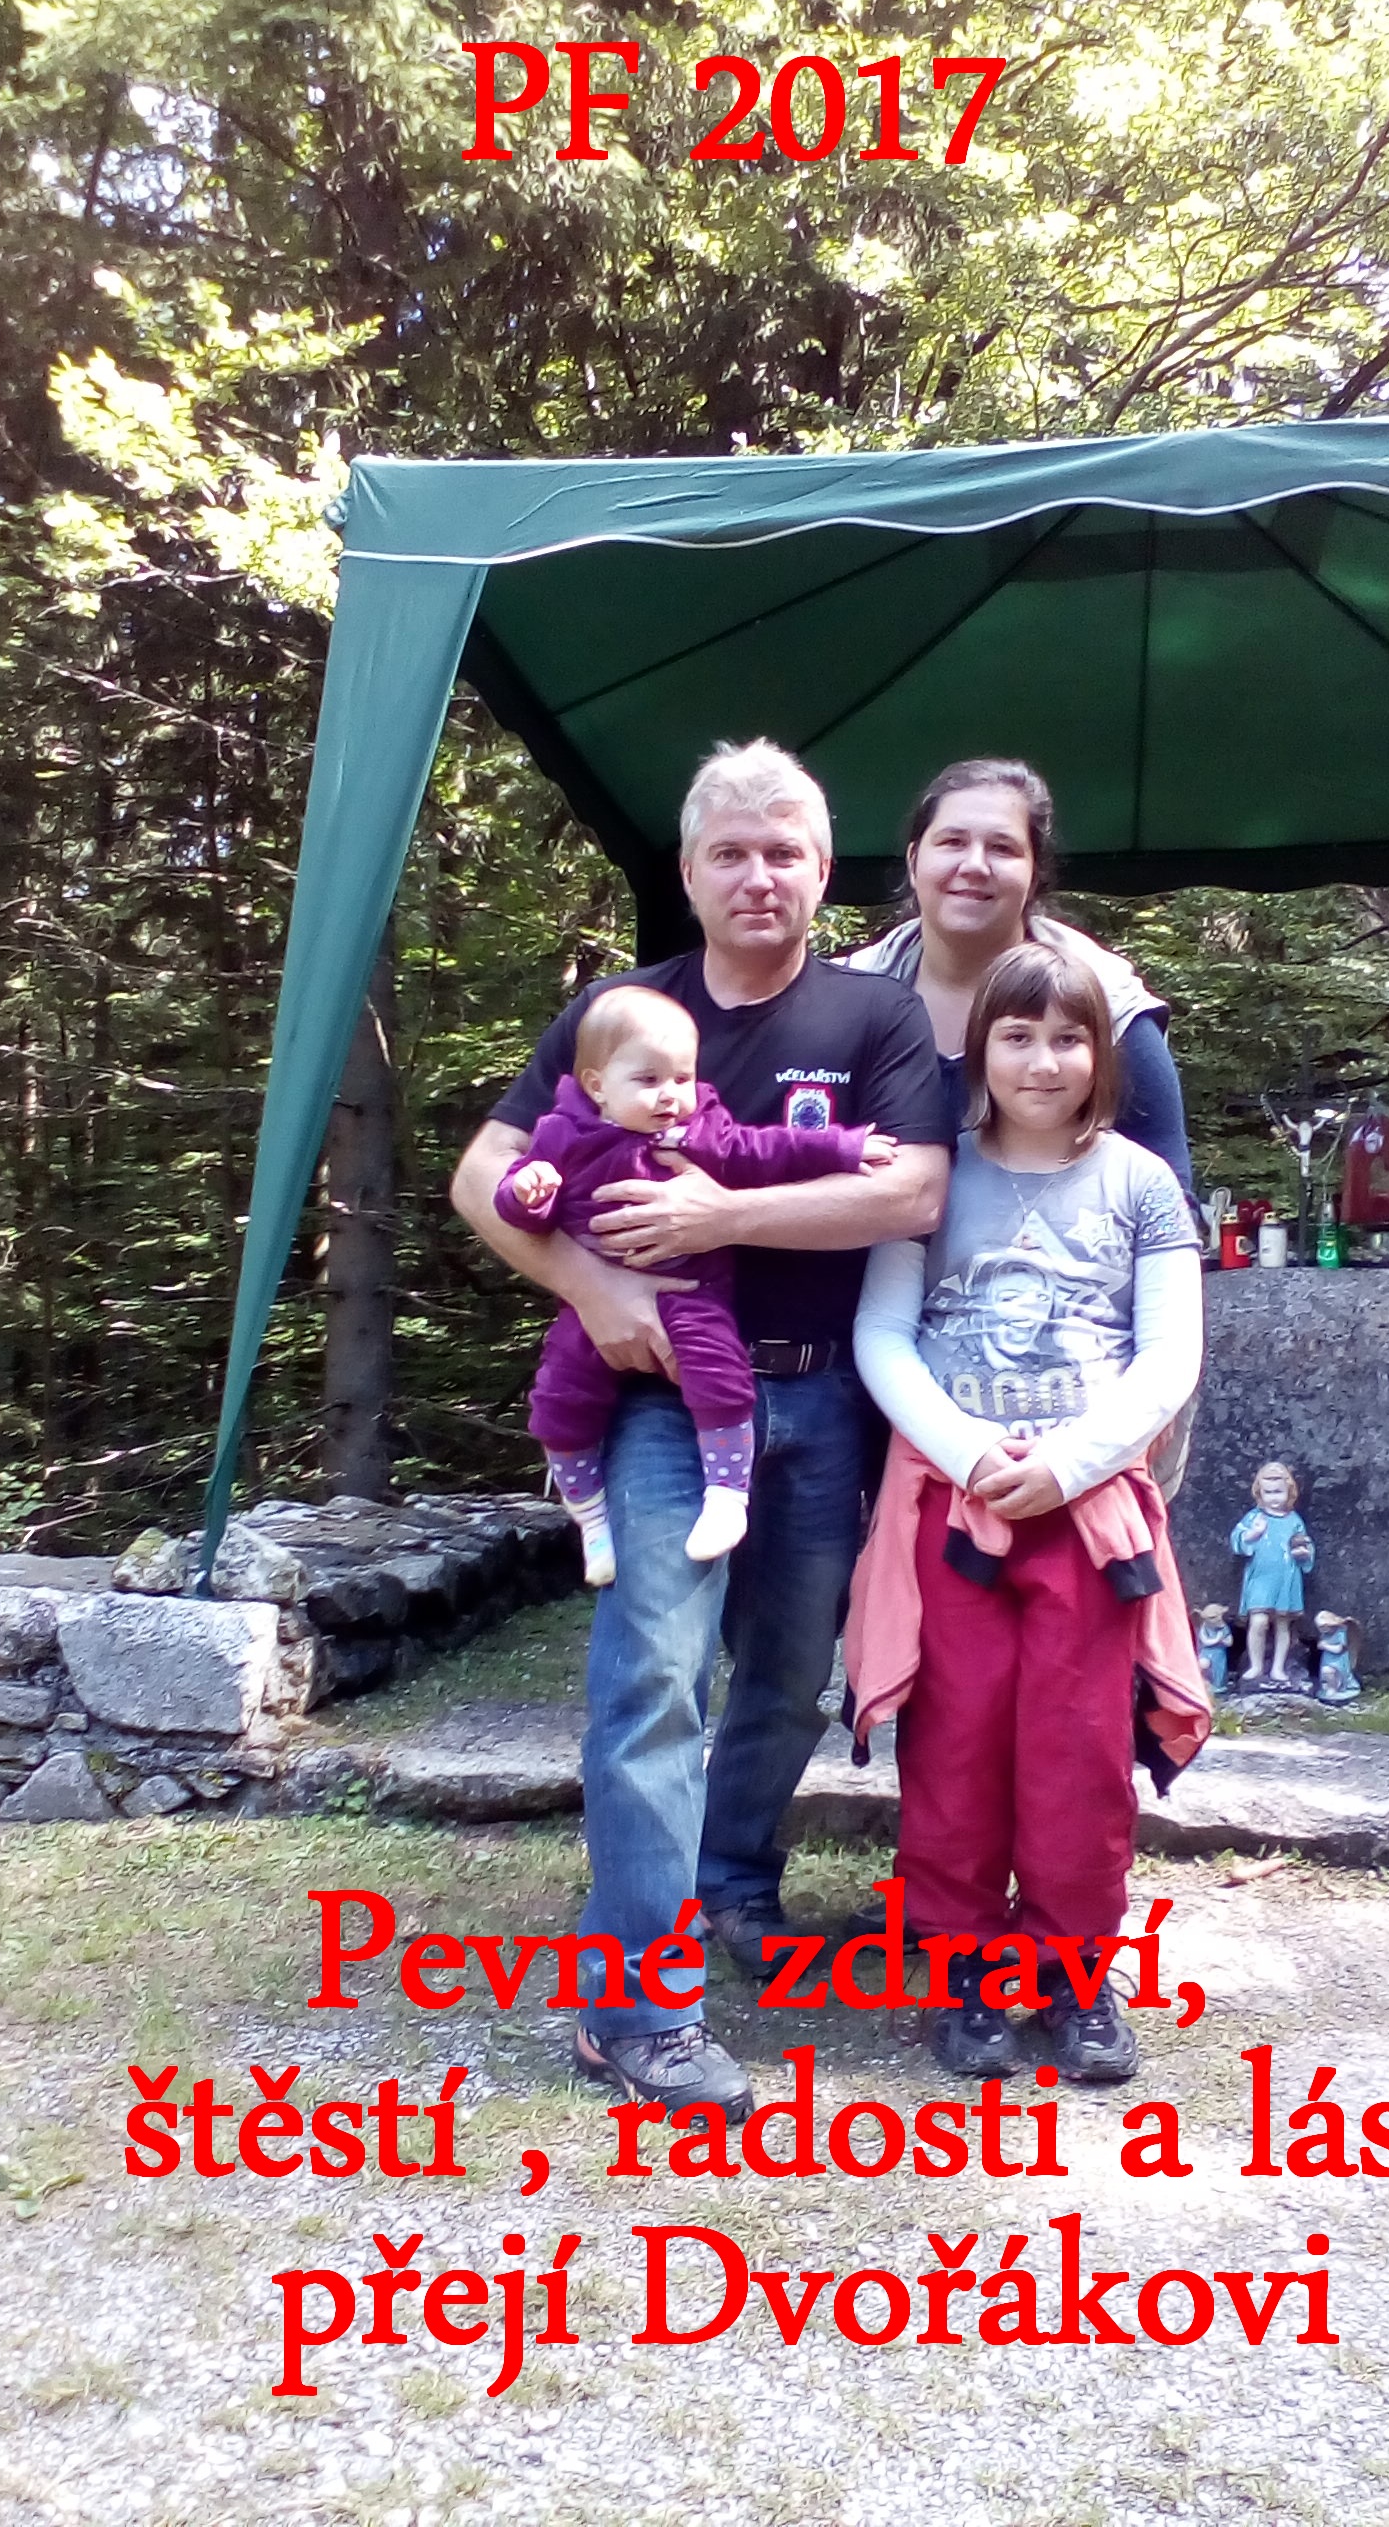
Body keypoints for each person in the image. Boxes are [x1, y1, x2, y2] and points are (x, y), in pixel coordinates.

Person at [450, 740, 947, 2122]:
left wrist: (724, 1215)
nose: (758, 876)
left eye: (785, 852)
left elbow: (911, 1192)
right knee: (657, 1677)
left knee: (788, 1677)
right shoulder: (624, 1013)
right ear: (688, 870)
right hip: (659, 1405)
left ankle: (730, 1885)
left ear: (823, 870)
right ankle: (636, 2015)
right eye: (730, 852)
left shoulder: (876, 1020)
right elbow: (485, 1172)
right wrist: (592, 1286)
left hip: (826, 1395)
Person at [847, 941, 1207, 2082]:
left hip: (1092, 1518)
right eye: (1017, 1036)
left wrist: (1070, 1463)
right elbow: (883, 1335)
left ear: (1102, 1053)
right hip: (952, 1509)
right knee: (954, 1743)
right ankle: (964, 1968)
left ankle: (1072, 1973)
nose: (1042, 1062)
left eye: (1067, 1038)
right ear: (980, 1050)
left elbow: (1170, 1356)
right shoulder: (932, 1176)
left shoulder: (1142, 1185)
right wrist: (966, 1452)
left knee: (1078, 1746)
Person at [494, 982, 895, 1583]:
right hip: (595, 1302)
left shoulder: (700, 1131)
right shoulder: (562, 1135)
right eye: (648, 1080)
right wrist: (527, 1194)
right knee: (560, 1399)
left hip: (689, 1291)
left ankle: (727, 1497)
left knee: (720, 1373)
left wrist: (843, 1147)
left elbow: (768, 1149)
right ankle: (591, 1518)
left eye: (682, 1078)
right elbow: (522, 1204)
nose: (670, 1095)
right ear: (598, 1085)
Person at [847, 756, 1195, 1196]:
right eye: (952, 841)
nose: (975, 865)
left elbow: (1169, 1198)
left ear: (1035, 874)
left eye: (1002, 848)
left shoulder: (1106, 1002)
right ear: (915, 860)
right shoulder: (847, 999)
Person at [1232, 1460, 1315, 1685]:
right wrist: (1253, 1534)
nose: (1273, 1498)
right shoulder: (1255, 1518)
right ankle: (1256, 1665)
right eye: (1268, 1493)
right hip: (1260, 1578)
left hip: (1285, 1578)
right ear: (1260, 1493)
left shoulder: (1293, 1521)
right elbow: (1237, 1539)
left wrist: (1303, 1553)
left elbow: (1305, 1544)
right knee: (1258, 1621)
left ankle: (1278, 1667)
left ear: (1289, 1492)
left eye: (1278, 1492)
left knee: (1282, 1624)